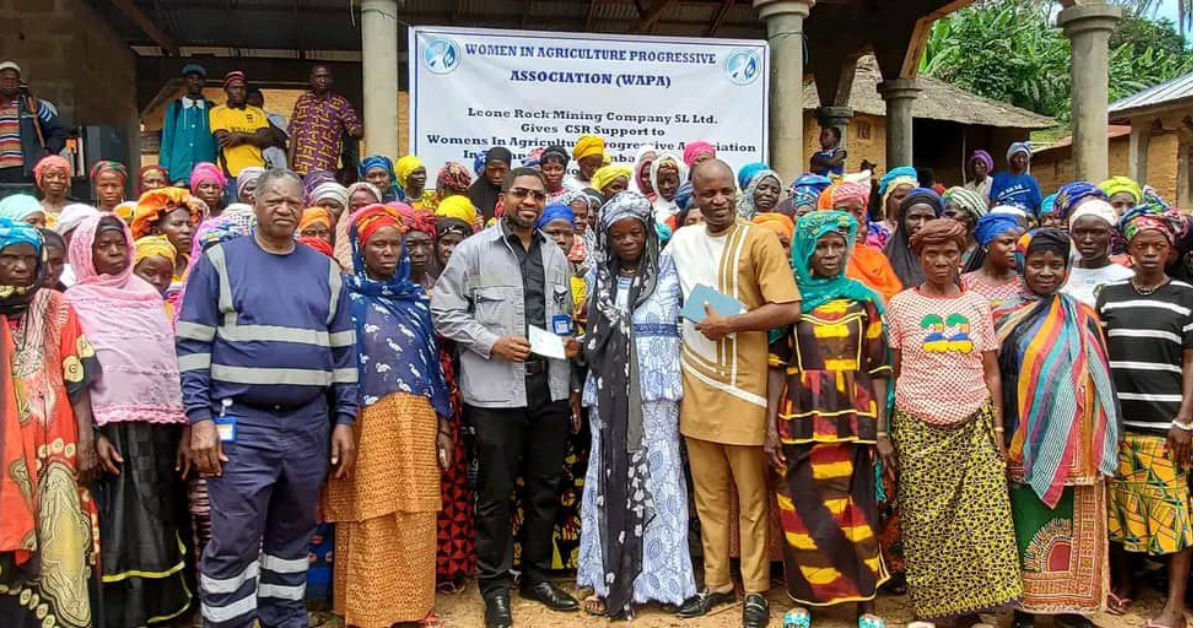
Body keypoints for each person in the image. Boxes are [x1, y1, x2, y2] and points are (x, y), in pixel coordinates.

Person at [177, 169, 357, 628]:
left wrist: (344, 420)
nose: (283, 209)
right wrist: (199, 419)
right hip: (240, 423)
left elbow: (344, 356)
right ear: (255, 202)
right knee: (235, 535)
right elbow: (193, 346)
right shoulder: (219, 262)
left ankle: (284, 617)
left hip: (308, 423)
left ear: (304, 208)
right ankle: (227, 621)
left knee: (293, 534)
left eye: (293, 203)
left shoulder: (326, 271)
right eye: (274, 200)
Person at [431, 167, 583, 628]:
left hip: (550, 389)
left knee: (543, 489)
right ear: (504, 197)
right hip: (495, 393)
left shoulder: (556, 253)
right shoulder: (474, 251)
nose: (531, 202)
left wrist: (569, 350)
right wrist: (488, 341)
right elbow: (443, 311)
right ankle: (495, 587)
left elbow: (555, 321)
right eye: (521, 193)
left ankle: (536, 575)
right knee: (495, 495)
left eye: (538, 195)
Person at [663, 159, 801, 628]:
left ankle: (756, 588)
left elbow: (788, 308)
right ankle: (717, 583)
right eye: (708, 194)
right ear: (695, 198)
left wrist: (732, 323)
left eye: (726, 192)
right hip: (695, 380)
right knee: (709, 497)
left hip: (744, 385)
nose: (719, 200)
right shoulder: (681, 243)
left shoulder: (758, 239)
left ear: (735, 194)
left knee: (751, 497)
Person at [885, 217, 1022, 623]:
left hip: (974, 420)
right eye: (932, 254)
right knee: (926, 519)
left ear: (962, 256)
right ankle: (936, 607)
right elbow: (895, 369)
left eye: (949, 253)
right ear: (918, 256)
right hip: (917, 422)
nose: (941, 261)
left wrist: (997, 429)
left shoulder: (976, 304)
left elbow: (992, 370)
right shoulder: (901, 305)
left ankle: (980, 606)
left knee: (984, 516)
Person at [323, 204, 452, 628]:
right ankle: (368, 608)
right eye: (378, 244)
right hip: (367, 415)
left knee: (416, 510)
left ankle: (414, 606)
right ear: (361, 249)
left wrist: (444, 427)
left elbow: (433, 367)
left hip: (416, 414)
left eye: (395, 245)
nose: (389, 253)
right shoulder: (345, 298)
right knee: (371, 509)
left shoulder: (417, 301)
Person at [65, 214, 192, 626]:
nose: (115, 252)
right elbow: (75, 374)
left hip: (161, 428)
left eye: (120, 243)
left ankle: (163, 608)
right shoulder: (75, 301)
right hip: (109, 428)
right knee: (119, 519)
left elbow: (169, 366)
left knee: (161, 512)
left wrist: (186, 428)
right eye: (104, 246)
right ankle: (122, 613)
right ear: (86, 252)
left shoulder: (149, 298)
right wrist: (94, 434)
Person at [764, 210, 890, 625]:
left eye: (838, 245)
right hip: (800, 418)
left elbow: (877, 368)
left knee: (857, 508)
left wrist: (881, 430)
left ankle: (865, 603)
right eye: (822, 245)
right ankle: (805, 600)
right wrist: (770, 429)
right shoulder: (789, 303)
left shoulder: (863, 299)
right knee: (801, 509)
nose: (832, 253)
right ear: (806, 250)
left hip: (854, 420)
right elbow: (776, 367)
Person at [991, 228, 1119, 626]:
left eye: (1056, 265)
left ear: (1067, 269)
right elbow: (996, 378)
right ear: (1022, 265)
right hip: (1023, 440)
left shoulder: (1085, 315)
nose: (1047, 272)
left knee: (1077, 523)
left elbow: (1102, 379)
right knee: (1023, 522)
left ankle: (1073, 606)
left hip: (1078, 443)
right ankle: (1025, 609)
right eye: (1038, 264)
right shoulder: (1003, 317)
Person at [577, 191, 695, 618]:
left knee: (660, 483)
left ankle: (663, 582)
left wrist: (741, 317)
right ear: (606, 238)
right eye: (618, 234)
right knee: (609, 482)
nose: (628, 241)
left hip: (657, 397)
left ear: (649, 233)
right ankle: (606, 579)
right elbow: (587, 335)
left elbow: (708, 312)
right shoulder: (596, 278)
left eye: (636, 232)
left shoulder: (672, 271)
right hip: (607, 397)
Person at [0, 218, 103, 628]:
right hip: (6, 451)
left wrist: (86, 440)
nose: (21, 267)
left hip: (55, 449)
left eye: (29, 259)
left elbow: (77, 378)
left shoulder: (57, 305)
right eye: (9, 258)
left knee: (59, 540)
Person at [1098, 207, 1192, 628]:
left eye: (1158, 246)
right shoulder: (1108, 295)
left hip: (1166, 425)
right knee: (1119, 510)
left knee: (1172, 515)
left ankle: (1174, 607)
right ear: (1129, 251)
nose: (1150, 253)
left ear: (1170, 251)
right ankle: (1125, 583)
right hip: (1117, 424)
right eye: (1142, 246)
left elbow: (1193, 363)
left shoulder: (1187, 296)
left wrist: (1185, 420)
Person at [816, 181, 904, 303]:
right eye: (844, 210)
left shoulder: (874, 257)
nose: (851, 218)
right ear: (826, 210)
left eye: (858, 212)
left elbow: (893, 299)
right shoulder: (813, 254)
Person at [0, 60, 69, 185]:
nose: (9, 83)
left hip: (25, 172)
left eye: (13, 79)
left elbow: (60, 130)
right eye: (5, 79)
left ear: (19, 82)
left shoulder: (31, 105)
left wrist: (48, 152)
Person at [288, 64, 362, 176]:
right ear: (311, 79)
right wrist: (289, 166)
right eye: (318, 76)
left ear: (332, 79)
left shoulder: (341, 103)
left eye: (326, 77)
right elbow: (294, 134)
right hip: (299, 169)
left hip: (325, 169)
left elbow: (356, 130)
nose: (322, 80)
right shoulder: (302, 101)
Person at [1064, 199, 1131, 307]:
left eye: (1097, 232)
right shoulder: (1061, 276)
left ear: (1111, 234)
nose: (1087, 240)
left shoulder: (1126, 278)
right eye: (1080, 232)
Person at [160, 64, 217, 185]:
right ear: (184, 81)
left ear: (204, 82)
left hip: (205, 174)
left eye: (198, 79)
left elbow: (217, 143)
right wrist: (164, 168)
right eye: (191, 78)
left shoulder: (211, 109)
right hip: (179, 172)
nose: (195, 82)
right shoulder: (175, 107)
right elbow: (167, 140)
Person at [209, 71, 271, 185]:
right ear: (226, 90)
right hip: (230, 172)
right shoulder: (217, 112)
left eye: (242, 88)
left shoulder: (257, 112)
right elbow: (225, 140)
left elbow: (264, 139)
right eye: (234, 88)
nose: (239, 92)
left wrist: (239, 135)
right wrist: (253, 137)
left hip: (257, 171)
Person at [883, 187, 942, 288]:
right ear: (903, 220)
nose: (921, 224)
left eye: (929, 218)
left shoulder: (946, 256)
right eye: (914, 217)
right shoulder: (887, 258)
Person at [961, 213, 1024, 304]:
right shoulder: (966, 283)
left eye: (1017, 243)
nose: (1014, 249)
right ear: (986, 246)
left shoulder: (1024, 284)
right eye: (1006, 242)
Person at [989, 141, 1041, 213]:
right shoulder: (999, 178)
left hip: (1026, 216)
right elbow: (993, 202)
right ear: (1010, 159)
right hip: (1002, 215)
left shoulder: (1031, 181)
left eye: (1024, 157)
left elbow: (1037, 205)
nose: (1021, 160)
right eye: (1017, 157)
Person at [245, 87, 288, 171]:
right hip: (253, 162)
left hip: (276, 162)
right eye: (250, 98)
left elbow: (281, 138)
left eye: (257, 97)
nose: (254, 100)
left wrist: (262, 116)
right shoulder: (242, 119)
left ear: (262, 100)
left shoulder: (276, 118)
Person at [941, 186, 988, 263]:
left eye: (951, 214)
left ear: (971, 216)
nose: (943, 219)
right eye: (943, 215)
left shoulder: (984, 252)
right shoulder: (942, 247)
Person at [468, 147, 512, 216]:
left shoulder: (518, 192)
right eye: (492, 170)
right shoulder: (472, 194)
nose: (497, 175)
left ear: (509, 169)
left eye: (502, 170)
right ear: (486, 169)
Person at [876, 167, 918, 238]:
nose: (906, 201)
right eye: (900, 197)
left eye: (910, 196)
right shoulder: (876, 231)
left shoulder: (919, 228)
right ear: (887, 200)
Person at [435, 202, 474, 268]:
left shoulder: (474, 274)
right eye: (446, 242)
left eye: (459, 244)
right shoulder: (423, 274)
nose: (451, 250)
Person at [34, 154, 72, 220]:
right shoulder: (33, 209)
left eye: (62, 177)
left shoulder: (75, 210)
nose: (56, 180)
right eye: (49, 176)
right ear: (40, 180)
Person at [649, 154, 682, 223]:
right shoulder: (649, 206)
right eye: (661, 182)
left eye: (671, 182)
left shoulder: (688, 207)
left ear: (680, 180)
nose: (666, 186)